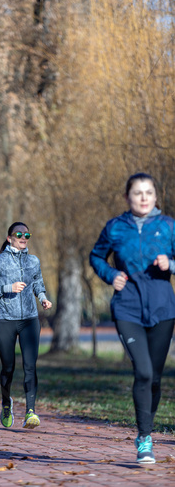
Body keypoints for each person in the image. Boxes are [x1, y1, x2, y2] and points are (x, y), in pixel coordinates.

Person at [90, 173, 175, 464]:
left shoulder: (167, 227)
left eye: (148, 192)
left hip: (163, 310)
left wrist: (171, 263)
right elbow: (96, 256)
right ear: (128, 197)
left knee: (156, 378)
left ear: (155, 196)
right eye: (137, 193)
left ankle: (145, 431)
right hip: (127, 308)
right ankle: (145, 438)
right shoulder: (115, 227)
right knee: (143, 372)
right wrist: (111, 275)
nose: (143, 197)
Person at [0, 222, 52, 429]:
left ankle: (30, 411)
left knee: (30, 366)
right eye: (19, 234)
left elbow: (38, 282)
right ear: (9, 237)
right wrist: (7, 288)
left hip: (29, 320)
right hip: (5, 321)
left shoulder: (33, 261)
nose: (23, 237)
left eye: (26, 234)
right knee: (8, 368)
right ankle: (6, 403)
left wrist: (43, 298)